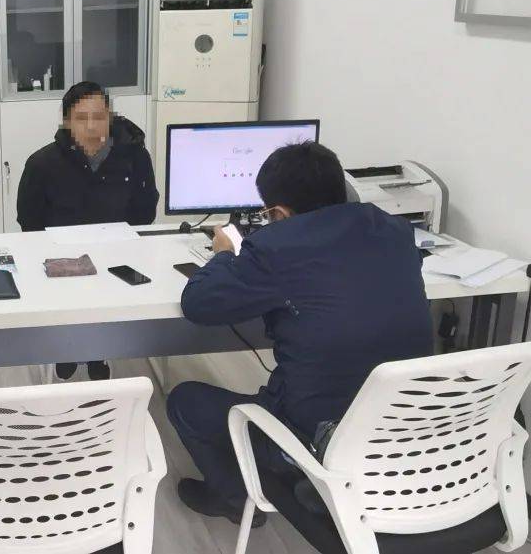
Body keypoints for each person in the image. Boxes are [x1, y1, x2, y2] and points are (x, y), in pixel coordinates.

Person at [166, 141, 432, 528]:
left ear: (278, 213)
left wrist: (224, 252)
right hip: (403, 426)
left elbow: (199, 303)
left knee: (185, 401)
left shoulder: (276, 247)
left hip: (322, 438)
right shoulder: (395, 230)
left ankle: (237, 497)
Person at [17, 81, 159, 381]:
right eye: (81, 118)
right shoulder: (42, 164)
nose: (92, 126)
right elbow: (29, 221)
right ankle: (67, 350)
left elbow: (145, 210)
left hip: (117, 257)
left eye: (99, 116)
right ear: (67, 121)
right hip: (62, 261)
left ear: (110, 116)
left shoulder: (134, 157)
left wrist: (121, 244)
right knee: (69, 303)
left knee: (110, 301)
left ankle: (99, 352)